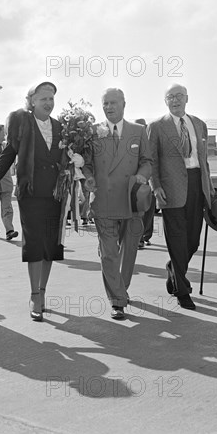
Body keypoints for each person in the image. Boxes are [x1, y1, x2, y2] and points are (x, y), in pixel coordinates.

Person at [0, 81, 65, 321]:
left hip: (56, 194)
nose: (48, 103)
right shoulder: (22, 122)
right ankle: (35, 294)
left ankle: (43, 292)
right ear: (32, 100)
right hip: (31, 193)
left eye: (51, 98)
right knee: (34, 244)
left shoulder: (61, 126)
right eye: (43, 98)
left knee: (51, 246)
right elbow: (7, 156)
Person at [83, 88, 152, 320]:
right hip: (103, 200)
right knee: (109, 254)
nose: (109, 107)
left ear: (124, 104)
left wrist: (143, 175)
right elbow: (86, 163)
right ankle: (117, 300)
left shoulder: (138, 131)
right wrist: (87, 176)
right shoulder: (91, 133)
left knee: (129, 250)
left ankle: (121, 288)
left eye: (113, 103)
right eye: (105, 104)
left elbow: (147, 161)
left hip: (131, 199)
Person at [147, 84, 215, 310]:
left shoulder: (199, 125)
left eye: (179, 96)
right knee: (176, 239)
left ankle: (173, 269)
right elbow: (152, 160)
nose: (175, 100)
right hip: (171, 188)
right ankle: (182, 291)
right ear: (165, 101)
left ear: (187, 98)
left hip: (197, 184)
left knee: (192, 240)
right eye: (170, 97)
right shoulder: (156, 127)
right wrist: (155, 187)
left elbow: (203, 160)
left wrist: (210, 190)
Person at [0, 124, 19, 241]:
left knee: (7, 208)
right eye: (3, 132)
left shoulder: (9, 146)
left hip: (6, 182)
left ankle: (9, 230)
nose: (5, 134)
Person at [135, 118, 157, 249]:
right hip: (137, 181)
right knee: (139, 211)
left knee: (149, 210)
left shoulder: (150, 142)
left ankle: (145, 236)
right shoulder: (132, 141)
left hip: (150, 180)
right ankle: (139, 237)